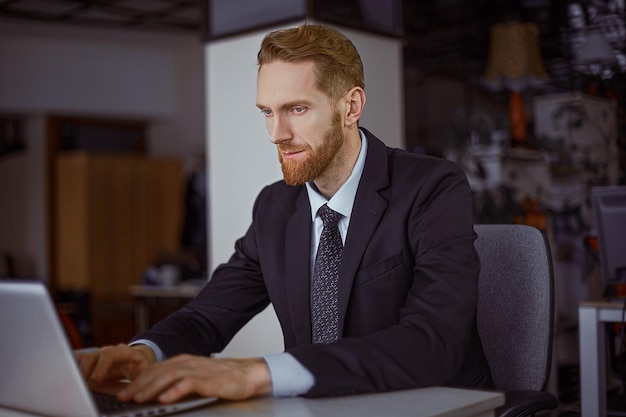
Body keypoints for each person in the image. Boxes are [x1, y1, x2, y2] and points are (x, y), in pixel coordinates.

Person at [77, 23, 493, 405]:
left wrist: (260, 373)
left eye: (296, 109)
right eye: (267, 112)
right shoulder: (274, 208)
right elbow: (209, 315)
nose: (276, 134)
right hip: (322, 410)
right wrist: (143, 353)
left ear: (350, 107)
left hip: (433, 405)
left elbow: (434, 341)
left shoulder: (431, 187)